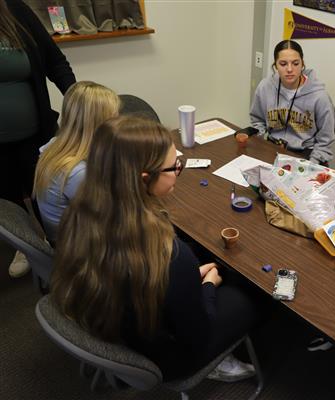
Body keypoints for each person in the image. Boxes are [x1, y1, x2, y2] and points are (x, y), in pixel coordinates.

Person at [50, 116, 259, 382]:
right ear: (144, 178)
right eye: (174, 167)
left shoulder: (78, 215)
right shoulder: (171, 256)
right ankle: (220, 361)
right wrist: (207, 286)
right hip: (166, 358)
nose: (178, 170)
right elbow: (197, 336)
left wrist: (185, 283)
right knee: (245, 296)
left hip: (115, 325)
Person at [1, 0, 76, 277]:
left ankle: (59, 246)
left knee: (46, 192)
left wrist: (77, 99)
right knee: (9, 197)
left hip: (36, 135)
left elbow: (55, 61)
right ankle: (26, 245)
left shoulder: (16, 10)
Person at [33, 81, 120, 243]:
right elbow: (115, 217)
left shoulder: (55, 145)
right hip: (80, 248)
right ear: (98, 124)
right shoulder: (77, 172)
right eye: (114, 117)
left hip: (68, 235)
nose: (118, 122)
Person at [250, 39, 335, 165]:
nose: (289, 69)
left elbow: (325, 141)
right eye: (283, 64)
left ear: (302, 64)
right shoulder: (265, 87)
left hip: (306, 156)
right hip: (272, 149)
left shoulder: (320, 97)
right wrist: (261, 146)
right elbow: (257, 121)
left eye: (295, 63)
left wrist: (311, 164)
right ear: (275, 65)